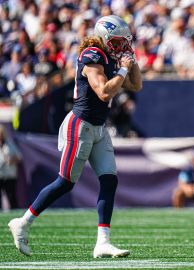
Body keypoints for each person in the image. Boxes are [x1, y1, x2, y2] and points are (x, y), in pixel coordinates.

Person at [8, 15, 142, 258]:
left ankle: (103, 242)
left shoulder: (111, 55)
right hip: (79, 125)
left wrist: (131, 62)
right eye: (120, 42)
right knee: (66, 182)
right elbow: (102, 92)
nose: (123, 46)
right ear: (106, 38)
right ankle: (23, 222)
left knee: (109, 180)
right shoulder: (92, 54)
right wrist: (123, 67)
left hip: (99, 127)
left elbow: (136, 86)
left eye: (125, 42)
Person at [0, 125, 21, 209]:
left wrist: (12, 160)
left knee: (11, 196)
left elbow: (19, 157)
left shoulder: (9, 144)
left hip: (10, 175)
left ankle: (14, 213)